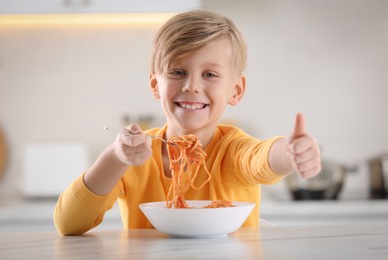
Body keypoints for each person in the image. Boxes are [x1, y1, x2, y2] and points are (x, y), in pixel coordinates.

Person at [54, 10, 321, 235]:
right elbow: (68, 223)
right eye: (178, 72)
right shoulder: (135, 158)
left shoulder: (233, 150)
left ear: (236, 90)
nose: (192, 86)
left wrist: (288, 152)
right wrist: (115, 157)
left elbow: (260, 159)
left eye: (210, 74)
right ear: (155, 84)